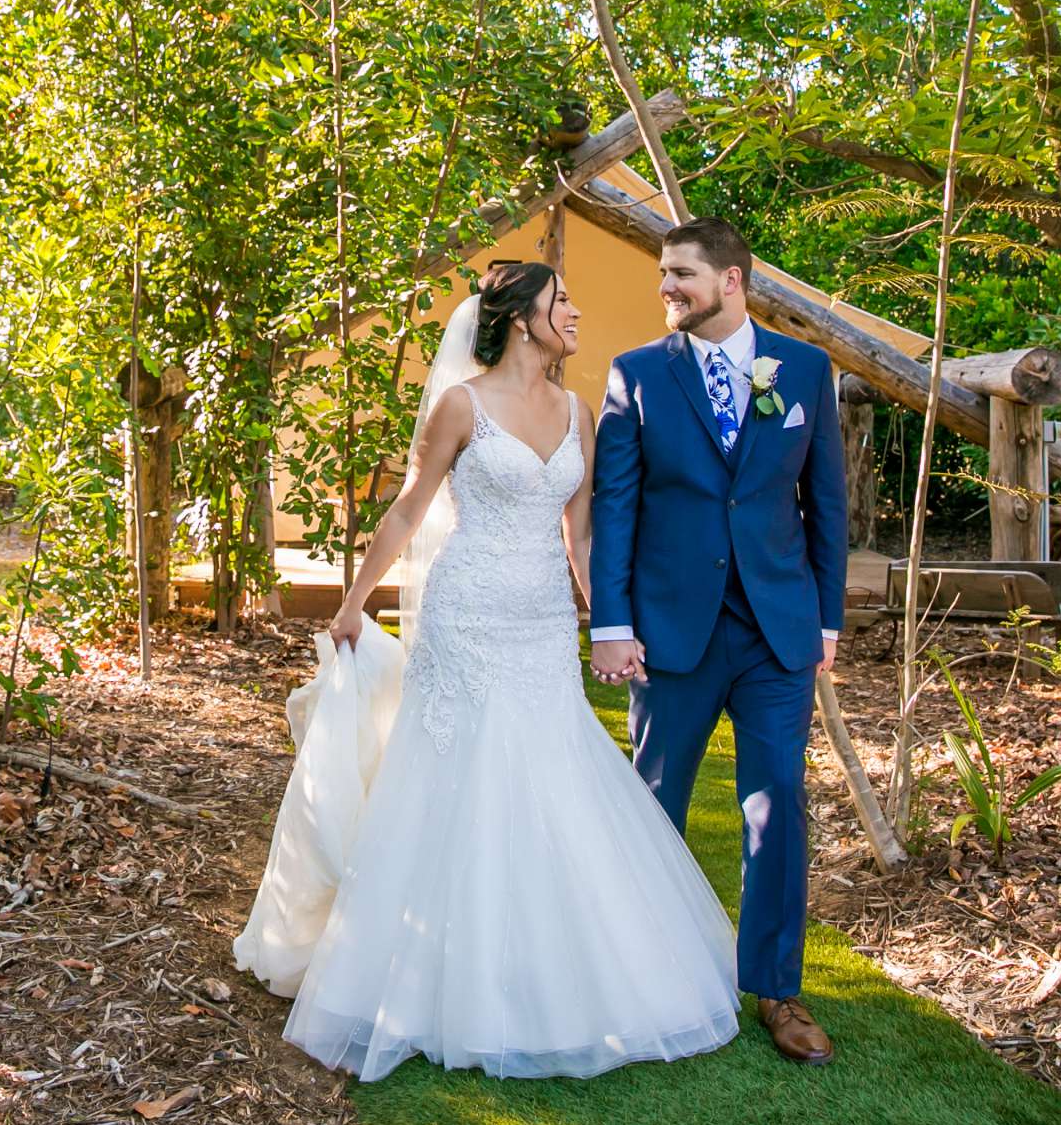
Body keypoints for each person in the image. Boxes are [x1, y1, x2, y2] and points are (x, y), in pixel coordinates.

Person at [235, 261, 738, 1081]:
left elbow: (579, 535)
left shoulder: (577, 411)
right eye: (561, 301)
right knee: (458, 777)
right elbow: (409, 505)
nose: (574, 312)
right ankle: (434, 975)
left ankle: (550, 966)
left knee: (552, 771)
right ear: (518, 317)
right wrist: (354, 600)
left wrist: (611, 622)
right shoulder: (460, 405)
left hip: (541, 622)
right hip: (465, 615)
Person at [589, 217, 849, 1066]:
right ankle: (640, 976)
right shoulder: (635, 377)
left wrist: (826, 620)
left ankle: (777, 989)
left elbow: (827, 505)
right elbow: (616, 509)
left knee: (777, 808)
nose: (666, 288)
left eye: (680, 275)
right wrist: (613, 623)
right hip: (671, 632)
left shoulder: (806, 370)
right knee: (654, 806)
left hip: (777, 631)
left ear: (733, 280)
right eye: (665, 275)